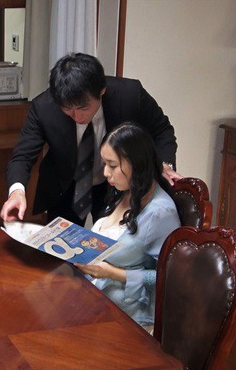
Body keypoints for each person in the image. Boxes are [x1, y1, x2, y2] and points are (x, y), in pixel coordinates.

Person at [0, 53, 182, 227]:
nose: (77, 116)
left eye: (83, 108)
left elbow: (162, 130)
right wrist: (16, 191)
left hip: (117, 186)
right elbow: (22, 156)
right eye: (68, 109)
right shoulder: (43, 108)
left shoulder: (130, 95)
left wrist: (164, 164)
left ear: (101, 90)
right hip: (66, 186)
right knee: (59, 244)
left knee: (112, 241)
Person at [74, 122, 181, 327]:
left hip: (127, 316)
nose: (106, 173)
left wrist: (111, 273)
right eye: (104, 164)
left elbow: (170, 279)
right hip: (96, 297)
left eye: (113, 165)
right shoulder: (126, 191)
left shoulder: (160, 213)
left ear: (136, 163)